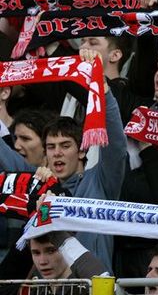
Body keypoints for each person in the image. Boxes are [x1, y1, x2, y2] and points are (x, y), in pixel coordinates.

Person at [0, 49, 128, 272]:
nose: (57, 153)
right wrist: (48, 188)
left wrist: (103, 92)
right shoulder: (37, 183)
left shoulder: (100, 182)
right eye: (51, 147)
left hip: (92, 285)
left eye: (65, 146)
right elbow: (5, 154)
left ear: (81, 151)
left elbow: (116, 145)